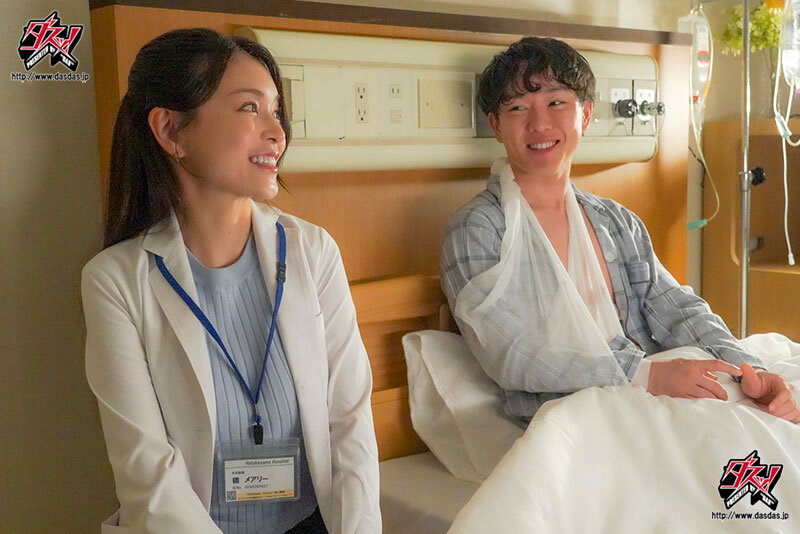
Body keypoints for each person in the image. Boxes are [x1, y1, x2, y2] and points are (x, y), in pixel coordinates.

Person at [81, 28, 380, 533]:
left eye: (276, 111)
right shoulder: (116, 282)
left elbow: (350, 423)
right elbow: (149, 477)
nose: (277, 132)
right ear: (171, 131)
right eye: (249, 108)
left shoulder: (312, 252)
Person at [441, 36, 800, 426]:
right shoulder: (478, 230)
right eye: (517, 108)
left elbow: (677, 309)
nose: (539, 123)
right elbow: (510, 354)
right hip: (567, 420)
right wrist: (645, 374)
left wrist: (749, 370)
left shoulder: (616, 222)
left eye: (556, 103)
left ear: (586, 114)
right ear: (496, 125)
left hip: (652, 401)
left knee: (770, 425)